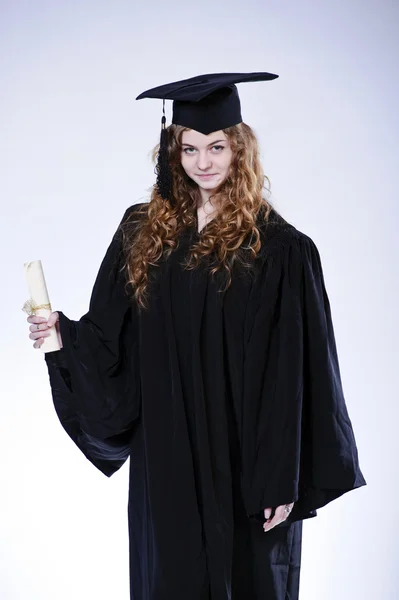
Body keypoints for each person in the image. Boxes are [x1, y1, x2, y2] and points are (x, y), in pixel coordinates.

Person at [26, 72, 366, 600]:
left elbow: (294, 372)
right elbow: (112, 339)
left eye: (216, 146)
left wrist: (283, 477)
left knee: (245, 577)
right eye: (189, 148)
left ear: (240, 149)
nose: (203, 162)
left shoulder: (276, 248)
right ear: (173, 151)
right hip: (167, 457)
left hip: (244, 457)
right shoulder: (141, 231)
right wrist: (63, 338)